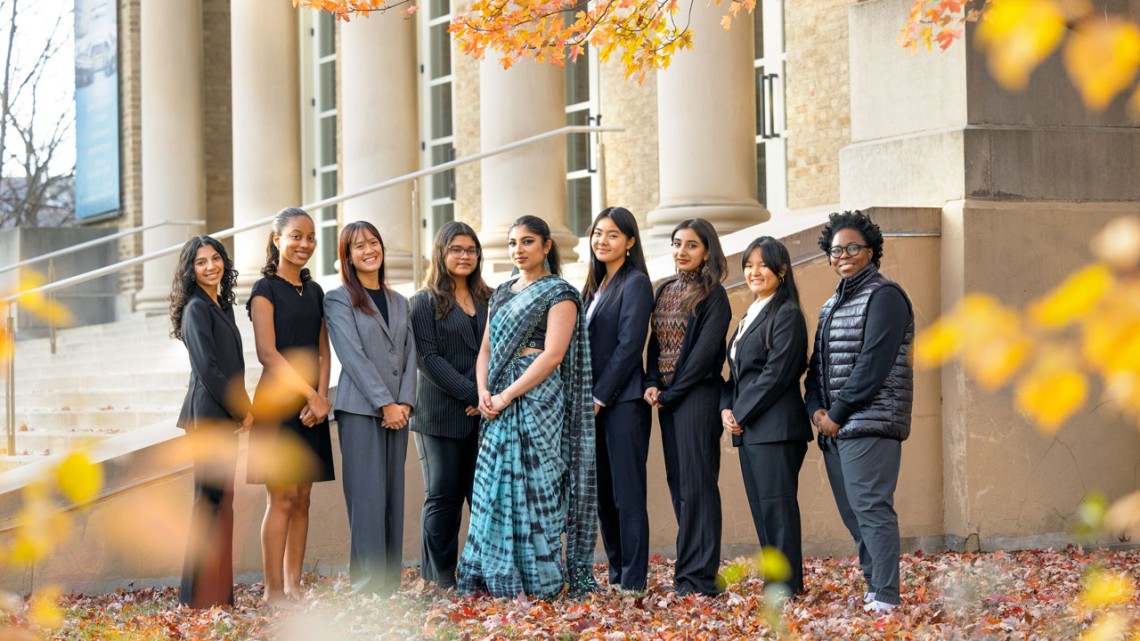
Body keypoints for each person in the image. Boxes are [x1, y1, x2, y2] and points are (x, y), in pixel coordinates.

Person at [456, 215, 597, 599]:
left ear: (547, 246)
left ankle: (541, 579)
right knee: (494, 485)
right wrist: (484, 390)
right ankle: (496, 574)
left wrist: (507, 395)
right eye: (513, 243)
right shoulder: (500, 293)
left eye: (528, 241)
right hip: (497, 399)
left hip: (538, 399)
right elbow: (485, 350)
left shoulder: (560, 293)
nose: (519, 250)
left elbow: (552, 355)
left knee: (540, 483)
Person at [805, 210, 914, 615]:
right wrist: (816, 409)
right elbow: (816, 368)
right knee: (855, 514)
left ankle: (886, 594)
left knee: (872, 508)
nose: (844, 255)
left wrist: (838, 412)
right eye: (836, 250)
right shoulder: (831, 304)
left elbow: (874, 363)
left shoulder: (885, 296)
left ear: (870, 251)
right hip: (834, 427)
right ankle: (874, 586)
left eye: (852, 247)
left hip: (870, 422)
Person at [324, 221, 417, 595]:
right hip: (361, 409)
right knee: (367, 498)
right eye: (358, 246)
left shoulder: (400, 301)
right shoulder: (338, 298)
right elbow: (352, 356)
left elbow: (410, 355)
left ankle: (388, 584)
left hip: (400, 411)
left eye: (373, 242)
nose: (368, 250)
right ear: (347, 256)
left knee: (393, 495)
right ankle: (366, 585)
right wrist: (386, 403)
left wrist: (406, 401)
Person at [246, 207, 333, 604]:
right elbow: (268, 353)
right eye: (296, 236)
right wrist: (311, 395)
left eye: (311, 237)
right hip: (279, 405)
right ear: (277, 239)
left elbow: (322, 350)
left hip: (312, 407)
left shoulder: (315, 291)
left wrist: (322, 396)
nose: (305, 244)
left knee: (303, 497)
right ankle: (272, 590)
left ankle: (294, 584)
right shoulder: (264, 290)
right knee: (280, 498)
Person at [720, 236, 811, 597]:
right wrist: (726, 408)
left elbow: (777, 373)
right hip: (750, 429)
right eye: (748, 265)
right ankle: (777, 582)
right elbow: (736, 374)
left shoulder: (786, 313)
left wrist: (739, 412)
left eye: (762, 264)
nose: (753, 272)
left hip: (776, 429)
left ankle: (787, 586)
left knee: (778, 510)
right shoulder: (750, 314)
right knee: (763, 509)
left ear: (782, 270)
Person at [644, 218, 731, 597]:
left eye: (691, 245)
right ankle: (690, 572)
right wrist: (650, 382)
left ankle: (699, 578)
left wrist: (671, 393)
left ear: (707, 251)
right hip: (667, 398)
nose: (682, 251)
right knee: (679, 485)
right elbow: (655, 345)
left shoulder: (715, 296)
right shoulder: (664, 290)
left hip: (697, 397)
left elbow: (704, 355)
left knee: (698, 486)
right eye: (677, 243)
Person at [170, 235, 252, 608]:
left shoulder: (220, 304)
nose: (210, 266)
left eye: (215, 258)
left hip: (223, 417)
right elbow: (208, 368)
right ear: (190, 270)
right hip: (209, 419)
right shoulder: (196, 309)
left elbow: (230, 364)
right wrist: (242, 408)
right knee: (209, 506)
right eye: (200, 262)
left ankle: (219, 595)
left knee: (222, 505)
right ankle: (197, 599)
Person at [408, 221, 491, 589]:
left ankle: (483, 574)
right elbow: (428, 359)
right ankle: (439, 580)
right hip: (439, 417)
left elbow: (500, 350)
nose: (465, 256)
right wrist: (475, 395)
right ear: (441, 253)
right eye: (456, 249)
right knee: (443, 497)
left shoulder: (491, 298)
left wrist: (487, 395)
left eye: (471, 250)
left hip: (486, 418)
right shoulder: (422, 302)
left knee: (485, 498)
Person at [581, 207, 654, 592]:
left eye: (612, 235)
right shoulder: (594, 287)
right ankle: (616, 573)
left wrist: (598, 397)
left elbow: (629, 347)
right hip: (591, 407)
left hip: (622, 403)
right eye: (597, 233)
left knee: (627, 494)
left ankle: (634, 579)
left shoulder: (636, 283)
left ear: (630, 241)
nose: (602, 241)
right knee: (603, 497)